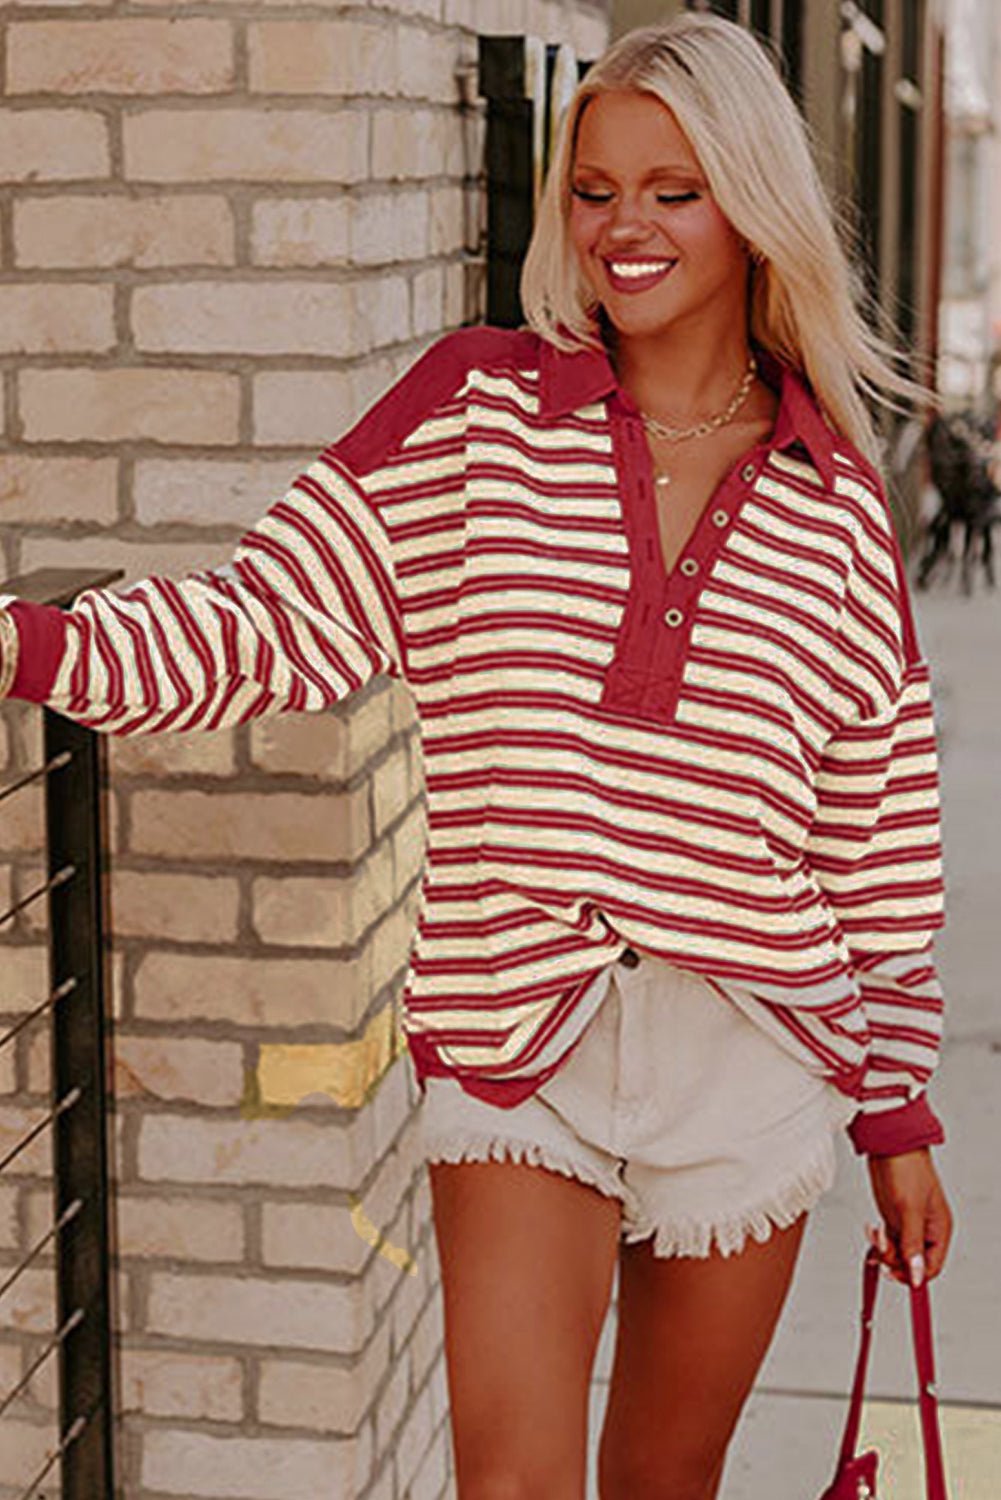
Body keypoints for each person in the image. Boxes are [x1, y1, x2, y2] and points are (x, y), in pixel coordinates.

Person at [0, 13, 953, 1499]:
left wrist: (895, 1116)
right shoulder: (473, 410)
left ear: (752, 205)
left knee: (662, 1487)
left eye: (672, 188)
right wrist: (30, 647)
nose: (620, 227)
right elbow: (270, 626)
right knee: (511, 1486)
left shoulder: (831, 505)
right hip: (522, 1027)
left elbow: (878, 844)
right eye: (592, 190)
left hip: (752, 1057)